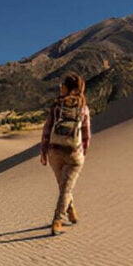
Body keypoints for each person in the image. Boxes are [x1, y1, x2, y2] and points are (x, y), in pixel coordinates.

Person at [40, 73, 91, 235]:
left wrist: (43, 150)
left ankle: (71, 212)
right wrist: (83, 152)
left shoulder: (56, 106)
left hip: (54, 151)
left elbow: (47, 129)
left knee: (64, 187)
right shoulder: (83, 107)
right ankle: (58, 220)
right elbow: (86, 133)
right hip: (73, 153)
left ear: (67, 88)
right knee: (65, 189)